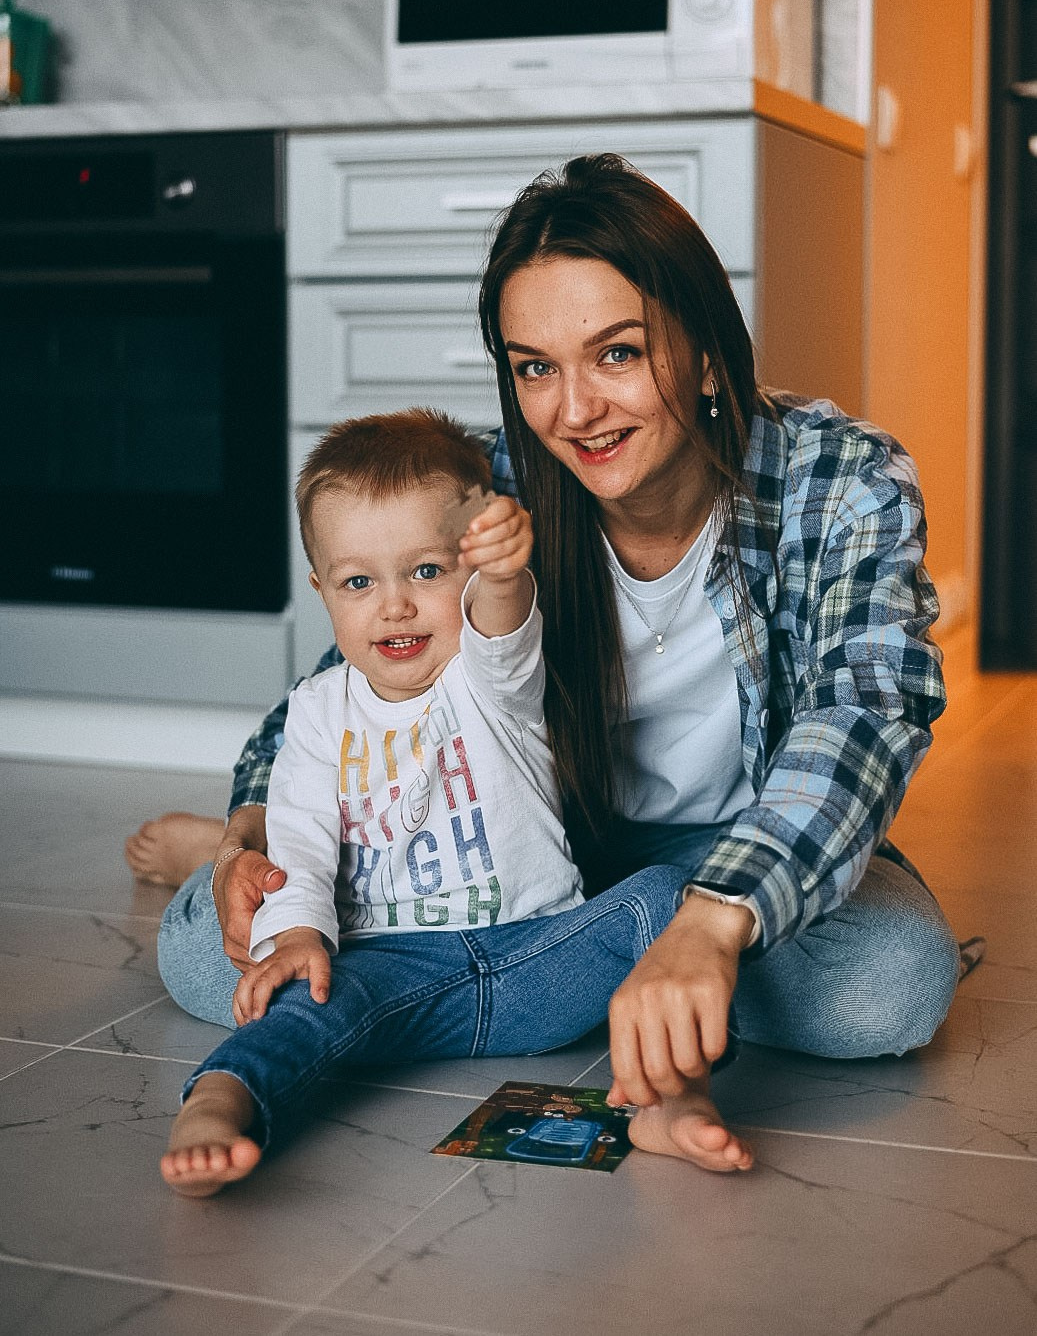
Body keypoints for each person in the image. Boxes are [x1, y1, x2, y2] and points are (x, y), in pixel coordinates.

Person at [141, 153, 967, 1177]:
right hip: (511, 841)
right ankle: (601, 958)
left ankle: (590, 956)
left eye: (614, 354)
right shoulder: (485, 486)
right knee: (196, 951)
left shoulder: (836, 479)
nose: (573, 411)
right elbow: (343, 686)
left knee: (889, 986)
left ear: (706, 356)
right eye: (533, 366)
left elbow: (867, 706)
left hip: (732, 840)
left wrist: (712, 919)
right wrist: (247, 831)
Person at [160, 408, 690, 1195]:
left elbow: (501, 629)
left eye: (427, 571)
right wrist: (299, 933)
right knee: (299, 1000)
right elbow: (299, 835)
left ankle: (675, 1097)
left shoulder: (486, 680)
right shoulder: (315, 712)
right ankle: (217, 1100)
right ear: (322, 589)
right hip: (390, 966)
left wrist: (505, 572)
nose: (395, 605)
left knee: (674, 899)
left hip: (536, 954)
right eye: (358, 581)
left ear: (467, 570)